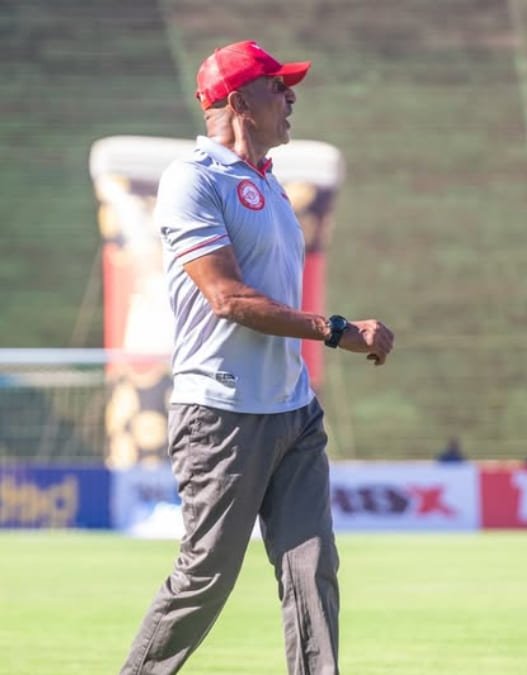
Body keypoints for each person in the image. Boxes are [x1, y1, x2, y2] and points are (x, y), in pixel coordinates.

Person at [121, 40, 395, 675]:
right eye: (278, 86)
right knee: (206, 578)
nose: (292, 96)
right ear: (239, 102)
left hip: (293, 411)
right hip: (220, 413)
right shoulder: (193, 178)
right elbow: (227, 298)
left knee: (312, 570)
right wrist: (336, 330)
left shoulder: (269, 186)